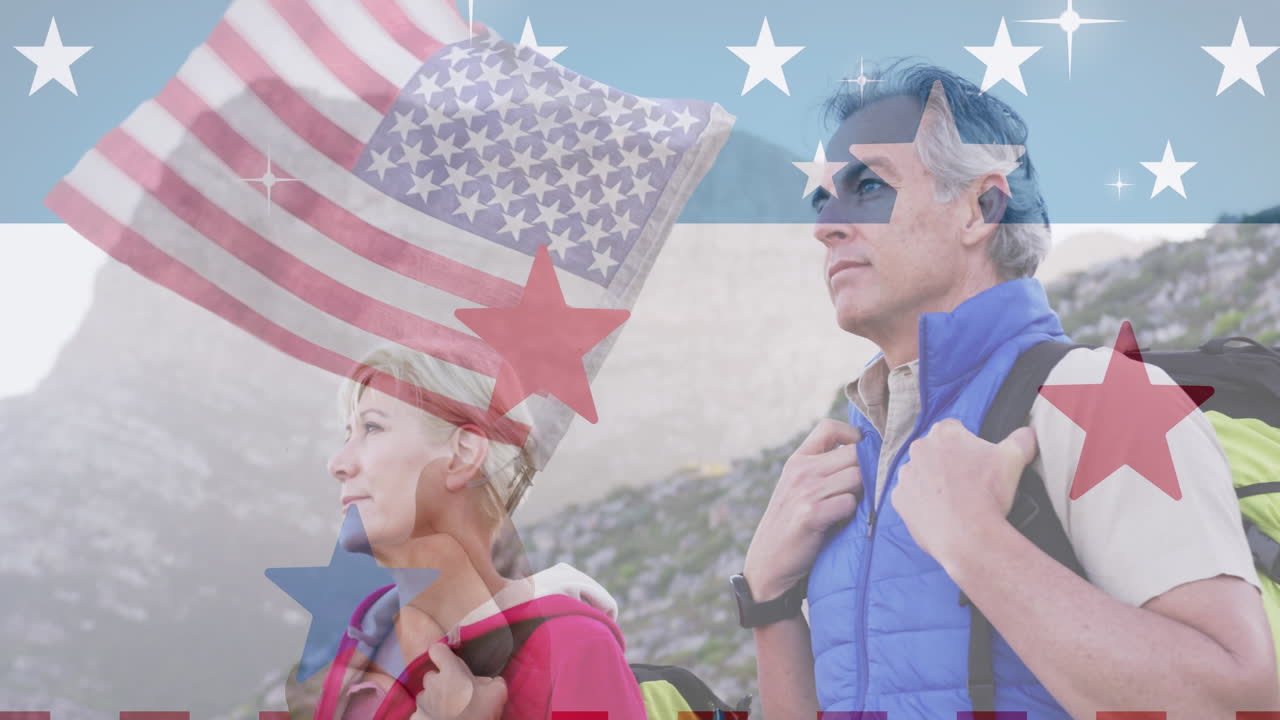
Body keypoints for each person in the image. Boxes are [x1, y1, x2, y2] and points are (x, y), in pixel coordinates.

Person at [737, 61, 1279, 719]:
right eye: (825, 197)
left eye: (870, 186)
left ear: (980, 207)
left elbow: (1235, 699)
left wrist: (977, 543)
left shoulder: (1099, 394)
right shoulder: (851, 464)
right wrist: (768, 598)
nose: (827, 224)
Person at [289, 344, 647, 720]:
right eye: (349, 434)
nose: (338, 463)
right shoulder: (363, 639)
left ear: (462, 454)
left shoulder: (571, 649)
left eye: (373, 427)